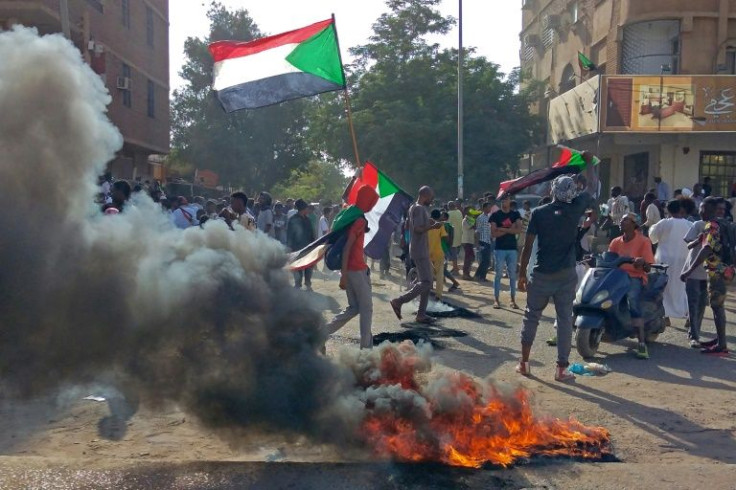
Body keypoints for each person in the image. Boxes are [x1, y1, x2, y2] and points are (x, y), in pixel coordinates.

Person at [518, 171, 596, 381]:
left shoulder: (538, 213)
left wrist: (521, 274)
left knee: (531, 317)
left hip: (541, 273)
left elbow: (527, 247)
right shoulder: (575, 209)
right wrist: (588, 165)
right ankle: (561, 369)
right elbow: (592, 187)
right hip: (565, 274)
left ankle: (524, 364)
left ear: (552, 191)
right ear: (572, 192)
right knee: (564, 320)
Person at [323, 186, 379, 350]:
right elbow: (347, 247)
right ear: (367, 201)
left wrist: (344, 273)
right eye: (372, 201)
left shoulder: (347, 214)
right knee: (366, 309)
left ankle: (322, 333)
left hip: (350, 268)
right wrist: (344, 276)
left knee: (354, 308)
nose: (373, 205)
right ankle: (366, 350)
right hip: (355, 269)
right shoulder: (359, 219)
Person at [680, 197, 730, 355]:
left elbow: (707, 249)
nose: (701, 211)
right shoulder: (726, 224)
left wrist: (688, 270)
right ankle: (718, 340)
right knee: (714, 306)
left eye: (704, 209)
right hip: (723, 271)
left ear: (713, 211)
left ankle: (721, 344)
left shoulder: (713, 226)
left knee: (715, 307)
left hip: (714, 272)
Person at [390, 186, 443, 324]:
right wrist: (432, 226)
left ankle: (421, 314)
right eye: (431, 197)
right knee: (427, 282)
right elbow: (418, 228)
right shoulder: (419, 208)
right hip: (420, 250)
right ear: (425, 195)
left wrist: (429, 221)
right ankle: (399, 301)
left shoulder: (415, 207)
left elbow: (415, 225)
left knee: (425, 282)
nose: (432, 200)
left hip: (418, 248)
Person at [608, 213, 655, 359]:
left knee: (632, 302)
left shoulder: (643, 241)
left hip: (635, 276)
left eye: (625, 219)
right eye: (621, 220)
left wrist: (642, 263)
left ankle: (641, 345)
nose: (621, 221)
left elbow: (648, 268)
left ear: (634, 224)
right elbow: (609, 260)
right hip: (617, 277)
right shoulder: (615, 241)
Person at [649, 200, 692, 321]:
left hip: (664, 261)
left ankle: (665, 315)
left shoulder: (663, 223)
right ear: (680, 209)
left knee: (664, 287)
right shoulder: (689, 224)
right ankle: (687, 313)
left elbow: (653, 238)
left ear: (668, 210)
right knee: (682, 287)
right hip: (683, 260)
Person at [682, 207, 708, 347]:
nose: (702, 211)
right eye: (702, 209)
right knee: (693, 303)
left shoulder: (719, 226)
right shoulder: (698, 225)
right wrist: (699, 240)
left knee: (702, 303)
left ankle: (694, 330)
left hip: (709, 272)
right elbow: (689, 243)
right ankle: (694, 336)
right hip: (694, 270)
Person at [490, 194, 522, 309]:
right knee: (498, 274)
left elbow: (519, 230)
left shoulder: (515, 214)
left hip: (512, 249)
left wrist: (501, 228)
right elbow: (493, 233)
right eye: (502, 200)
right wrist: (509, 229)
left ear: (510, 201)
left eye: (506, 200)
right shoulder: (495, 215)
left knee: (512, 275)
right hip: (499, 249)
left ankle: (512, 300)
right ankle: (496, 299)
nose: (504, 202)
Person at [287, 199, 316, 290]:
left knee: (308, 265)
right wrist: (290, 247)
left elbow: (311, 233)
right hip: (297, 248)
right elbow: (290, 235)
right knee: (297, 266)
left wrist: (313, 244)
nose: (308, 209)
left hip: (308, 247)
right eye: (306, 208)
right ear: (303, 208)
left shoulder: (307, 219)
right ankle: (298, 283)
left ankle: (308, 283)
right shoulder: (293, 219)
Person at [428, 209, 449, 300]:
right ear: (439, 216)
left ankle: (427, 290)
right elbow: (445, 237)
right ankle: (438, 295)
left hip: (427, 252)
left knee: (428, 273)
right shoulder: (440, 225)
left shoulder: (426, 224)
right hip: (438, 252)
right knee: (440, 274)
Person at [439, 211, 462, 294]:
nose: (440, 216)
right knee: (442, 268)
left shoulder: (443, 225)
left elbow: (447, 239)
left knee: (441, 269)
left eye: (441, 215)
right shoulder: (448, 226)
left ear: (445, 218)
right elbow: (450, 240)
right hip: (444, 249)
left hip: (442, 249)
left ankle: (454, 282)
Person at [473, 202, 493, 282]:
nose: (490, 209)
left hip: (488, 241)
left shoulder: (488, 217)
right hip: (482, 241)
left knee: (486, 261)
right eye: (488, 207)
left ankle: (481, 276)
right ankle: (479, 275)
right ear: (484, 208)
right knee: (485, 260)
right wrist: (477, 243)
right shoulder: (480, 218)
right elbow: (477, 231)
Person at [447, 202, 464, 273]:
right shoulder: (459, 212)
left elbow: (448, 225)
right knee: (454, 251)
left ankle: (455, 267)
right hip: (459, 234)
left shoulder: (449, 214)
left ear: (449, 207)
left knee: (453, 252)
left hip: (452, 235)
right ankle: (455, 266)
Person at [461, 205, 476, 280]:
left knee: (471, 257)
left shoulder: (470, 219)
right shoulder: (465, 220)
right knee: (468, 258)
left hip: (469, 241)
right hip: (466, 241)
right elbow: (472, 227)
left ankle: (467, 273)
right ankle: (465, 273)